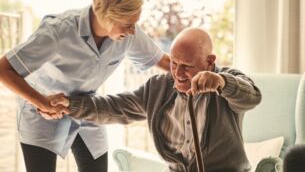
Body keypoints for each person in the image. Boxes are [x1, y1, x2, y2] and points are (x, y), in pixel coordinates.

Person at [0, 0, 170, 172]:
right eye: (127, 25)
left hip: (86, 108)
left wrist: (202, 72)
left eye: (134, 24)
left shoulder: (127, 33)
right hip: (42, 112)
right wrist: (42, 102)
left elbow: (165, 61)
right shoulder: (58, 31)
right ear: (106, 16)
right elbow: (4, 69)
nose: (132, 31)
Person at [51, 27, 262, 171]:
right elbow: (115, 108)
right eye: (174, 63)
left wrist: (222, 82)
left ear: (209, 61)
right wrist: (71, 104)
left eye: (187, 66)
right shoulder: (158, 88)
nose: (178, 73)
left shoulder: (226, 81)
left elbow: (252, 97)